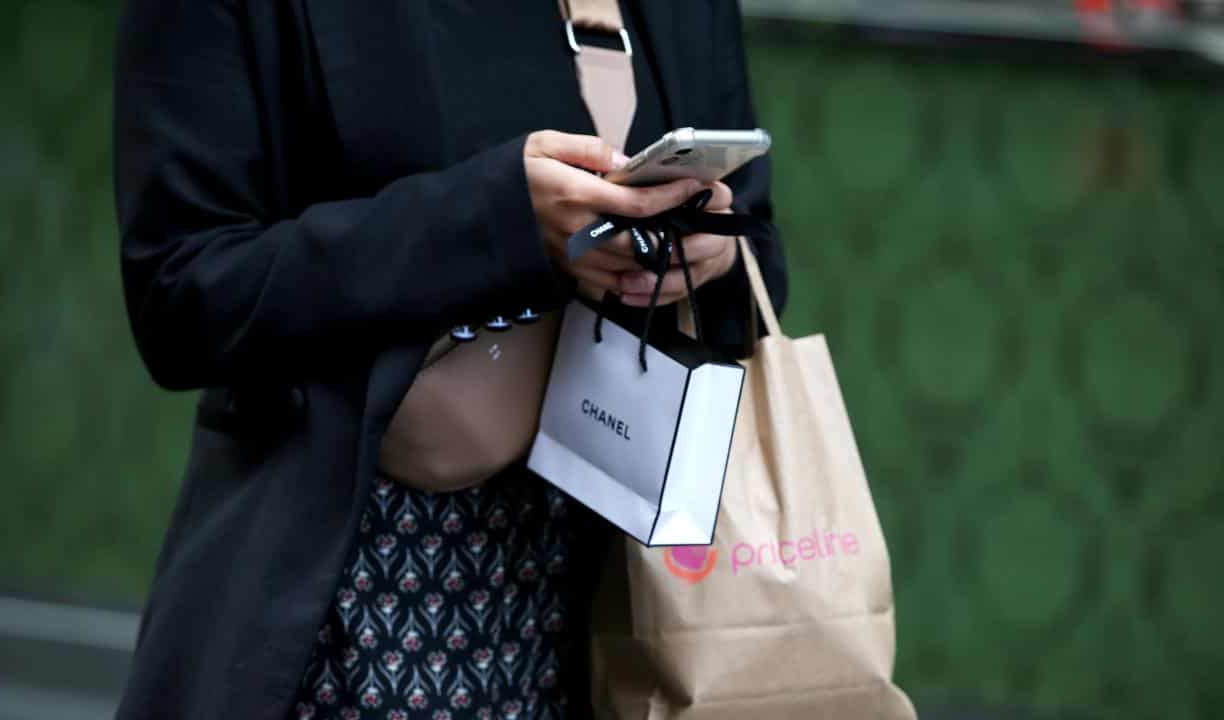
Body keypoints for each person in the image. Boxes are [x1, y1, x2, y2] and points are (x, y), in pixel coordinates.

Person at [112, 1, 787, 718]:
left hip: (632, 609)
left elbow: (757, 250)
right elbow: (182, 296)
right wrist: (499, 219)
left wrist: (708, 253)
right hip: (361, 607)